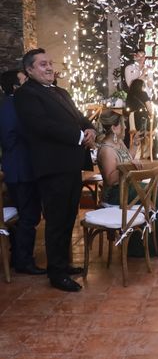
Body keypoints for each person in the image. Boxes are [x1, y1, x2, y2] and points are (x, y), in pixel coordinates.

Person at [13, 49, 96, 292]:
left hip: (71, 165)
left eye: (50, 63)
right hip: (52, 167)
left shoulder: (61, 91)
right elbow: (42, 126)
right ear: (29, 70)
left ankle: (63, 262)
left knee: (69, 216)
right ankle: (56, 273)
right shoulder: (26, 95)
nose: (49, 67)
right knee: (56, 220)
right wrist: (79, 136)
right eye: (42, 64)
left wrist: (89, 128)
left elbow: (80, 117)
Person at [97, 110, 158, 258]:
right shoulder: (106, 150)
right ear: (113, 128)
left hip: (126, 187)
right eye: (122, 125)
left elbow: (128, 158)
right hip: (115, 194)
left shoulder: (118, 144)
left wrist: (135, 144)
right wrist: (128, 167)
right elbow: (111, 179)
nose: (125, 128)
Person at [0, 70, 43, 275]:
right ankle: (23, 261)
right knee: (28, 215)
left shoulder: (17, 103)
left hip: (24, 167)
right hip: (19, 168)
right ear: (15, 87)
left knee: (29, 214)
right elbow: (8, 138)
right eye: (25, 80)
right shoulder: (10, 105)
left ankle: (19, 255)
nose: (29, 83)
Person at [125, 78, 154, 156]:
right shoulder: (143, 94)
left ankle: (135, 153)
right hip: (142, 122)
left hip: (132, 123)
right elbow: (150, 110)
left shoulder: (129, 95)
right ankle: (151, 153)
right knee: (155, 127)